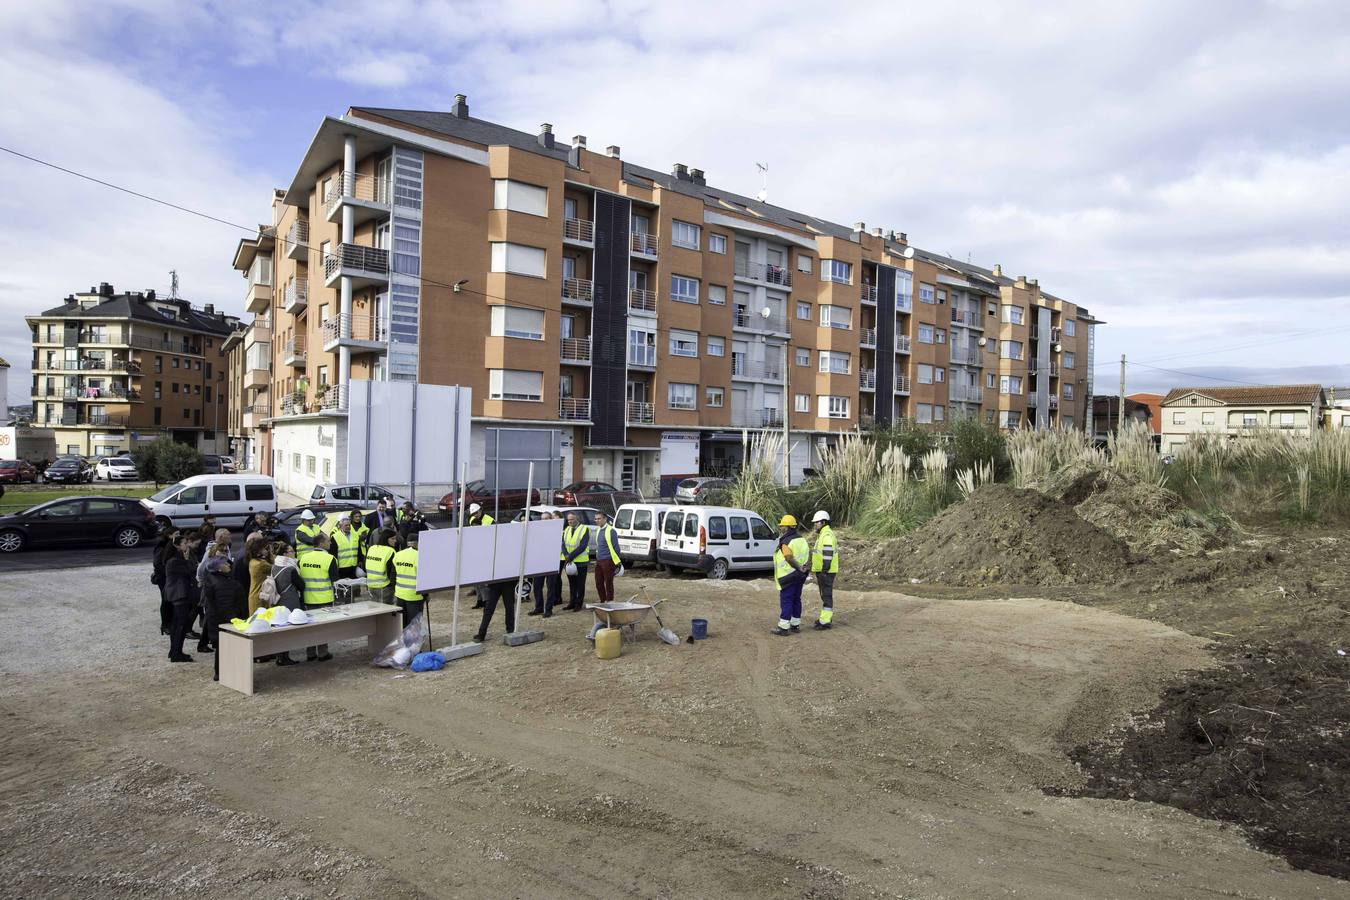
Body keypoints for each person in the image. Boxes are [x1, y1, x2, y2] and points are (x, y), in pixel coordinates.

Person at [201, 555, 246, 680]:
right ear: (219, 569)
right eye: (225, 564)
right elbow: (226, 606)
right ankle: (222, 673)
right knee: (226, 647)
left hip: (216, 619)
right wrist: (236, 621)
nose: (229, 565)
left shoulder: (213, 578)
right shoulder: (222, 584)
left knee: (222, 647)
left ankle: (220, 672)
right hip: (225, 621)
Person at [297, 532, 337, 662]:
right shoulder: (330, 559)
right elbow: (334, 580)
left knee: (310, 627)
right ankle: (323, 653)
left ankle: (310, 653)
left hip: (308, 598)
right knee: (323, 627)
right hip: (324, 598)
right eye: (328, 541)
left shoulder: (303, 558)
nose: (330, 543)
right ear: (321, 543)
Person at [771, 514, 811, 637]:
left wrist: (798, 567)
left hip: (788, 576)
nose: (781, 528)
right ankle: (795, 624)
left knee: (787, 600)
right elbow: (808, 555)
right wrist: (804, 568)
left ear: (787, 527)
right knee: (796, 599)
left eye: (782, 526)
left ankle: (783, 627)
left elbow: (788, 558)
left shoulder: (786, 542)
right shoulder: (802, 539)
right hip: (800, 575)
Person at [164, 533, 198, 662]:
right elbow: (190, 570)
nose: (187, 545)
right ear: (177, 546)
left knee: (178, 624)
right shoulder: (175, 560)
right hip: (180, 594)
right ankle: (176, 653)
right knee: (180, 624)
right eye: (184, 543)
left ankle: (174, 651)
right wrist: (188, 559)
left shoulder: (176, 559)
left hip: (180, 593)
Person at [269, 544, 302, 667]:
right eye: (291, 551)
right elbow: (301, 585)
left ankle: (280, 656)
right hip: (290, 601)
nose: (294, 552)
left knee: (280, 629)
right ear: (285, 553)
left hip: (278, 601)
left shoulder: (275, 566)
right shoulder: (291, 569)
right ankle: (285, 657)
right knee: (288, 631)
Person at [809, 510, 839, 630]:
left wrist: (824, 570)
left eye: (817, 523)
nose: (815, 525)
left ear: (823, 522)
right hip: (824, 570)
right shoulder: (824, 534)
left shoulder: (826, 535)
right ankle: (825, 618)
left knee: (826, 595)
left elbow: (827, 554)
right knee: (825, 595)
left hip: (826, 571)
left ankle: (826, 621)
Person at [529, 512, 561, 617]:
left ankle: (548, 609)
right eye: (543, 519)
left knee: (550, 587)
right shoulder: (537, 531)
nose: (545, 520)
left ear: (551, 519)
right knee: (537, 586)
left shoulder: (556, 530)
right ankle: (539, 607)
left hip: (551, 562)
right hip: (539, 562)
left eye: (547, 518)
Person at [392, 532, 426, 629]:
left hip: (400, 594)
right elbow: (423, 578)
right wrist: (426, 594)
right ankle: (414, 643)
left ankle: (404, 641)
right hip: (415, 595)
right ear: (417, 543)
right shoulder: (419, 555)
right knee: (414, 623)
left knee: (402, 622)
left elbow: (393, 575)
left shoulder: (398, 554)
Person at [152, 525, 180, 636]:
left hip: (170, 577)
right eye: (176, 534)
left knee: (171, 600)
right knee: (166, 600)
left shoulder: (173, 545)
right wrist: (168, 572)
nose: (179, 536)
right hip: (164, 577)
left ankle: (170, 622)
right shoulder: (161, 546)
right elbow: (158, 564)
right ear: (169, 535)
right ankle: (165, 624)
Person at [561, 512, 590, 611]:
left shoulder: (584, 529)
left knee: (580, 584)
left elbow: (582, 546)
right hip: (569, 561)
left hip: (581, 561)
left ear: (577, 519)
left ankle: (579, 604)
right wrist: (565, 555)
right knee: (572, 583)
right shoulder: (567, 529)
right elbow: (563, 543)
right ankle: (572, 602)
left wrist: (571, 556)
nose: (570, 522)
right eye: (568, 520)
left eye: (572, 519)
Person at [473, 577, 516, 643]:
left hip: (508, 581)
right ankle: (481, 634)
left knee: (509, 607)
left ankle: (510, 631)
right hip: (496, 582)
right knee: (488, 609)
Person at [592, 511, 622, 605]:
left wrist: (614, 562)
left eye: (599, 518)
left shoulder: (611, 531)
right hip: (599, 560)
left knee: (608, 582)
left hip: (608, 561)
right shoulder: (598, 530)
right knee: (598, 582)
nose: (597, 521)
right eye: (596, 519)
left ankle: (609, 601)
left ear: (605, 519)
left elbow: (616, 548)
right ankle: (603, 600)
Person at [364, 528, 398, 605]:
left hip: (371, 585)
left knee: (374, 610)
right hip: (385, 586)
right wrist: (394, 586)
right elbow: (392, 572)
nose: (395, 541)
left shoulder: (371, 548)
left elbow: (364, 565)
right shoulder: (390, 551)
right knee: (386, 612)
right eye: (392, 538)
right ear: (386, 539)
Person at [246, 537, 273, 616]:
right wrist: (271, 553)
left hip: (255, 596)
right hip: (260, 597)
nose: (266, 550)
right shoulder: (261, 564)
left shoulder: (252, 561)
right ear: (258, 551)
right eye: (264, 548)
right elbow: (276, 567)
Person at [330, 516, 361, 581]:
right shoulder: (335, 537)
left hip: (353, 566)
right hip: (342, 568)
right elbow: (333, 553)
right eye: (346, 525)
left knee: (354, 587)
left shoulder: (355, 535)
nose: (348, 527)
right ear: (341, 526)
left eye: (349, 525)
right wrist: (335, 566)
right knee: (344, 588)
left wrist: (360, 561)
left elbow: (359, 550)